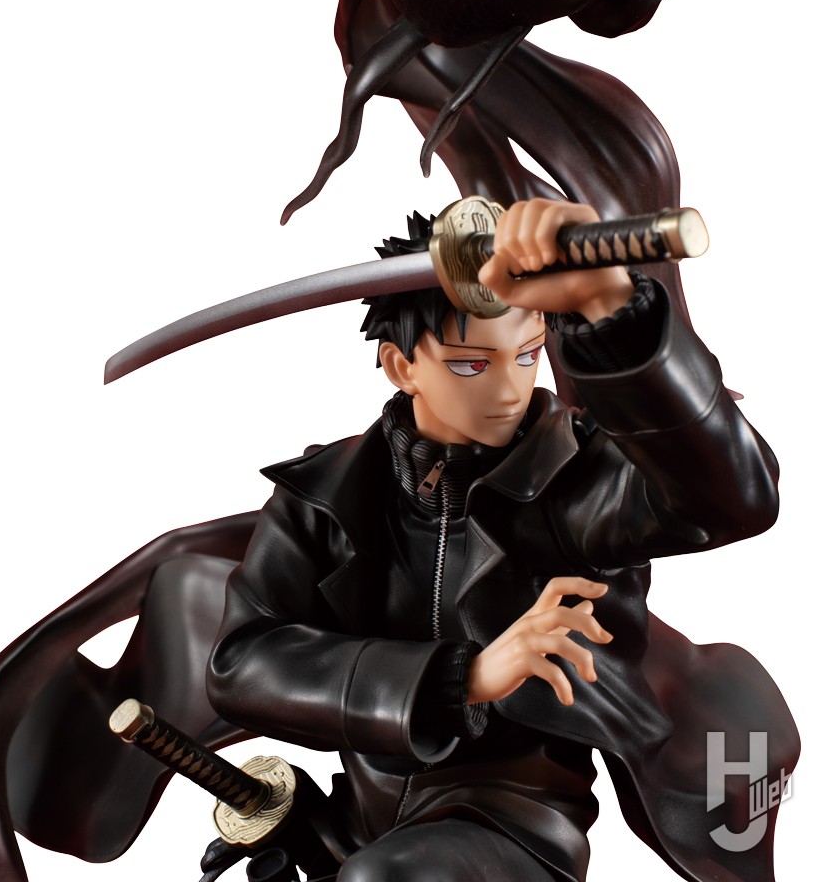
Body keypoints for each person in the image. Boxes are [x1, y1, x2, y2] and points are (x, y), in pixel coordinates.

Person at [207, 198, 792, 882]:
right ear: (400, 366)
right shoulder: (326, 494)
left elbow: (733, 499)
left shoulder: (576, 482)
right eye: (469, 364)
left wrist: (613, 312)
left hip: (518, 821)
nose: (510, 389)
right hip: (358, 816)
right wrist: (462, 678)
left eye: (527, 355)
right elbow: (241, 665)